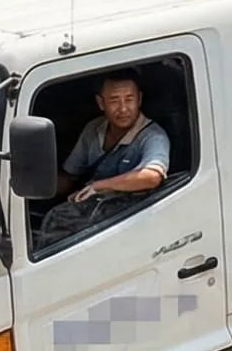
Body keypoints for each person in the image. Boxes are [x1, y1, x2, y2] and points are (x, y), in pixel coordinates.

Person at [39, 72, 173, 241]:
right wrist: (37, 186)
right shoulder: (94, 128)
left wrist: (99, 186)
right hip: (89, 217)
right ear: (101, 103)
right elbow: (70, 175)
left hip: (128, 223)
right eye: (114, 101)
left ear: (139, 99)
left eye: (129, 99)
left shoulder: (153, 136)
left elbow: (152, 176)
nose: (123, 108)